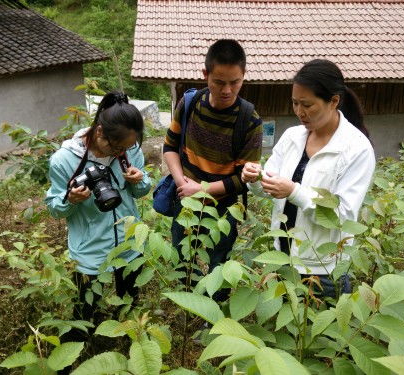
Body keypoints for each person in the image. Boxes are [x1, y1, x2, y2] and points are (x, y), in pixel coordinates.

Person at [242, 59, 375, 298]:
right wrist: (254, 178)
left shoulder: (357, 149)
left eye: (307, 105)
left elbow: (342, 216)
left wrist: (294, 191)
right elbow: (267, 189)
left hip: (323, 268)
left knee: (322, 333)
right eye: (295, 103)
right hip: (283, 257)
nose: (299, 112)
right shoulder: (292, 136)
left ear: (334, 101)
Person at [45, 91, 151, 341]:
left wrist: (140, 180)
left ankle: (128, 348)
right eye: (116, 148)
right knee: (84, 312)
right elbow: (53, 207)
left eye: (126, 148)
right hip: (90, 250)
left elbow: (142, 189)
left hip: (129, 244)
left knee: (129, 305)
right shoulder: (64, 160)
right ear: (100, 131)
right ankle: (73, 355)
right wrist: (70, 200)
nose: (120, 153)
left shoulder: (129, 148)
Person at [163, 39, 262, 297]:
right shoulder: (190, 103)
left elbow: (244, 179)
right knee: (182, 258)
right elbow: (170, 147)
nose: (227, 90)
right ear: (205, 74)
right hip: (185, 200)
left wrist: (203, 189)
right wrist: (184, 184)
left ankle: (212, 315)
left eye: (235, 82)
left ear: (243, 76)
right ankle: (187, 305)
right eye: (219, 82)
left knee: (218, 265)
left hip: (223, 208)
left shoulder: (249, 121)